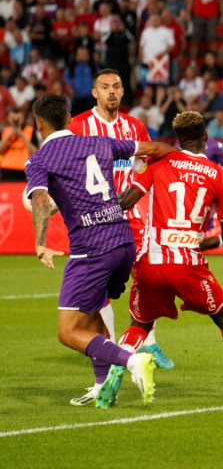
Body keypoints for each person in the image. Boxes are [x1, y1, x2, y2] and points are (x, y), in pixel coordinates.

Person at [25, 95, 175, 408]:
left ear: (38, 125)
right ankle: (102, 384)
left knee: (68, 332)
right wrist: (188, 163)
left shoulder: (39, 160)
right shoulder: (100, 141)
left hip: (91, 249)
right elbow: (156, 149)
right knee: (93, 308)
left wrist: (40, 243)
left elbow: (39, 200)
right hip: (123, 240)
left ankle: (132, 360)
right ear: (69, 117)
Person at [113, 111, 223, 403]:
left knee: (140, 324)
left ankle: (114, 376)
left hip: (151, 263)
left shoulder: (158, 163)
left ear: (178, 139)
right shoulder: (218, 175)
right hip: (187, 264)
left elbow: (126, 201)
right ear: (205, 137)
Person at [67, 69, 174, 406]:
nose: (111, 92)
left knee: (148, 278)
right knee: (97, 297)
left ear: (123, 91)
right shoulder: (79, 126)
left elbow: (148, 163)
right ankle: (117, 358)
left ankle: (145, 340)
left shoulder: (134, 126)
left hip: (133, 217)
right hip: (96, 221)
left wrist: (138, 189)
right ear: (94, 92)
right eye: (104, 87)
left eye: (116, 87)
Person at [0, 106, 38, 181]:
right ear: (8, 118)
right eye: (13, 119)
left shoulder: (30, 131)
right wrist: (9, 135)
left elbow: (35, 152)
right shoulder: (4, 131)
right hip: (6, 169)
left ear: (23, 118)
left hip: (24, 169)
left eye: (18, 118)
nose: (16, 121)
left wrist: (22, 135)